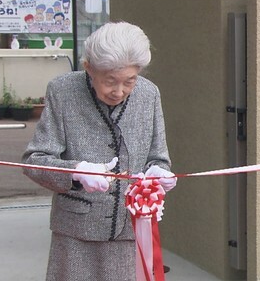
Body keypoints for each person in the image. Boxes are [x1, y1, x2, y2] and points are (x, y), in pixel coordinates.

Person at [22, 21, 177, 281]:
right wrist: (75, 172)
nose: (119, 91)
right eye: (110, 81)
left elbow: (158, 156)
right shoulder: (63, 92)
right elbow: (34, 161)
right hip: (76, 233)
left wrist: (159, 173)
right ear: (88, 68)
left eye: (130, 81)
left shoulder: (149, 95)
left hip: (131, 229)